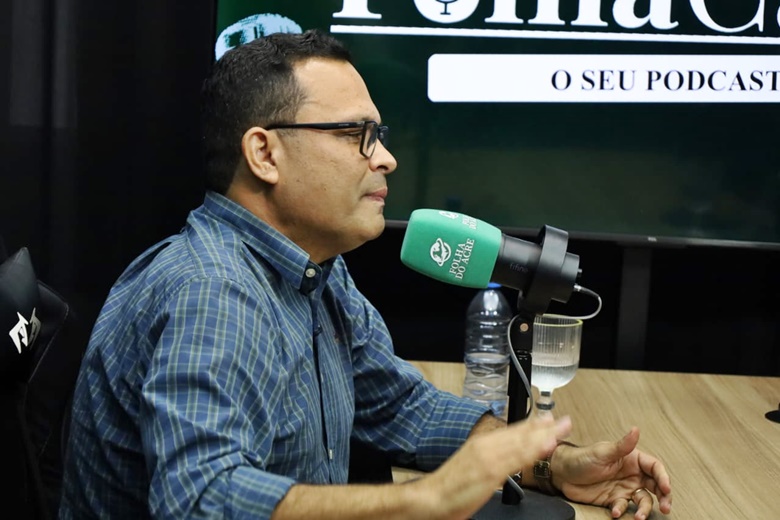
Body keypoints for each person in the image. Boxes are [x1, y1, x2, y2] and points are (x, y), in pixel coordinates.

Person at [59, 29, 672, 520]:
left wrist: (552, 465)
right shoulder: (214, 292)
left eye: (379, 135)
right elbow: (198, 500)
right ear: (264, 153)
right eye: (358, 134)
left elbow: (405, 409)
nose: (387, 158)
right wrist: (419, 503)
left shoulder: (315, 271)